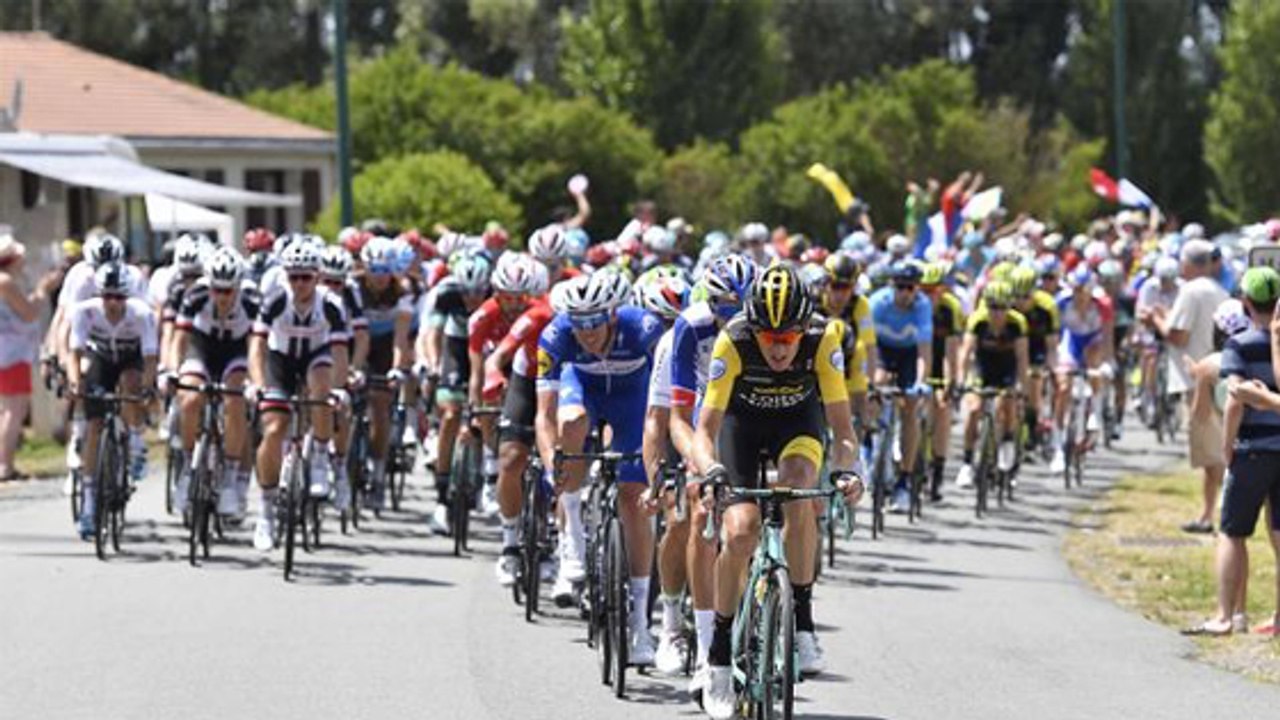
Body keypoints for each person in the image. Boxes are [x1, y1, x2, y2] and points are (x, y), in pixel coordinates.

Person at [688, 264, 863, 719]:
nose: (780, 348)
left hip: (797, 425)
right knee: (740, 530)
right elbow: (704, 431)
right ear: (754, 330)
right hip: (740, 427)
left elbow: (843, 430)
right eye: (769, 337)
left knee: (800, 487)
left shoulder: (823, 339)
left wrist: (847, 472)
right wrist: (711, 471)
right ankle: (718, 657)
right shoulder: (734, 339)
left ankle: (802, 622)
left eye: (788, 337)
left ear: (804, 329)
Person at [535, 270, 664, 664]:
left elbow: (665, 398)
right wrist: (551, 466)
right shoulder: (555, 335)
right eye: (579, 323)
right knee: (571, 424)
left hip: (633, 400)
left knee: (633, 500)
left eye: (594, 322)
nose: (587, 332)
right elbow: (544, 415)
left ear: (612, 314)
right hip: (583, 390)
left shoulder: (644, 328)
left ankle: (640, 622)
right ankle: (572, 536)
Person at [1184, 267, 1280, 637]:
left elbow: (1236, 399)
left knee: (1232, 532)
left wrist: (1227, 446)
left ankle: (1225, 616)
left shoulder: (1239, 344)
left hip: (1253, 448)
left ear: (1245, 302)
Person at [248, 242, 350, 551]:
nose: (299, 284)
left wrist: (339, 388)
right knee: (274, 428)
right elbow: (257, 345)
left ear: (317, 277)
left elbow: (339, 351)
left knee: (321, 387)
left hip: (316, 358)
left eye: (306, 277)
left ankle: (319, 456)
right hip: (280, 361)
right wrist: (258, 384)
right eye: (294, 277)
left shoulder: (330, 304)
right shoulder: (276, 300)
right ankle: (265, 512)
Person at [67, 263, 158, 539]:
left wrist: (147, 388)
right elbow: (75, 354)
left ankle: (136, 443)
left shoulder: (141, 314)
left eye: (119, 297)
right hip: (101, 359)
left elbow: (150, 359)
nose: (113, 303)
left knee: (131, 384)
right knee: (94, 426)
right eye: (108, 296)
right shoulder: (85, 312)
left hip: (131, 359)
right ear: (99, 295)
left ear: (127, 297)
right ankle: (89, 501)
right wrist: (75, 384)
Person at [1150, 239, 1230, 533]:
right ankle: (1208, 514)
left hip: (1198, 378)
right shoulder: (1220, 291)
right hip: (1220, 374)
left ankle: (1218, 513)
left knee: (1210, 453)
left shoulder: (1190, 291)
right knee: (1215, 449)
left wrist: (1157, 320)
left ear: (1188, 263)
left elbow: (1179, 336)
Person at [0, 232, 61, 480]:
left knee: (9, 409)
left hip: (8, 352)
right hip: (11, 353)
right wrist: (42, 290)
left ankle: (6, 462)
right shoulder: (5, 281)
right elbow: (29, 313)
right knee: (14, 409)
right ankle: (5, 465)